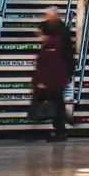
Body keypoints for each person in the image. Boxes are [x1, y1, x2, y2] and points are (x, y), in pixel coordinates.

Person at [31, 8, 75, 141]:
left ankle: (61, 130)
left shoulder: (54, 42)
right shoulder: (57, 36)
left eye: (47, 16)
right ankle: (61, 126)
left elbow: (52, 62)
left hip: (55, 77)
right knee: (56, 103)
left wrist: (43, 79)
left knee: (55, 103)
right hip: (57, 76)